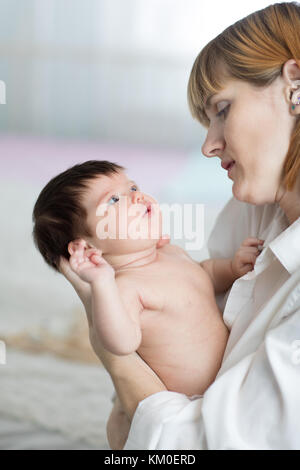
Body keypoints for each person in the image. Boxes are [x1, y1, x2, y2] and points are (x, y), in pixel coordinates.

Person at [59, 2, 300, 449]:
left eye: (222, 109)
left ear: (295, 85)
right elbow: (189, 303)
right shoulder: (256, 205)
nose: (209, 146)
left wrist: (116, 359)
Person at [32, 160, 264, 448]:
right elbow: (121, 343)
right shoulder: (124, 287)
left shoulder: (170, 253)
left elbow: (202, 276)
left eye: (133, 187)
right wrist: (101, 283)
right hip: (188, 406)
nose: (137, 196)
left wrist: (230, 268)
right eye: (114, 200)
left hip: (228, 383)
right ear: (88, 248)